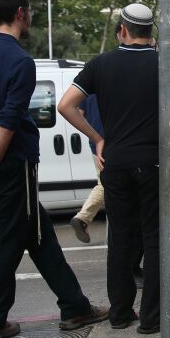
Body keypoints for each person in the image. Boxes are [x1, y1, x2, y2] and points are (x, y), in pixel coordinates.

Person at [0, 0, 107, 338]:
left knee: (36, 232)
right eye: (30, 11)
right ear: (21, 13)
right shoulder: (19, 60)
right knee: (10, 237)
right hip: (12, 160)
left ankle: (74, 304)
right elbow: (9, 119)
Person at [59, 3, 160, 334]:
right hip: (153, 161)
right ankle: (152, 318)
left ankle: (119, 313)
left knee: (120, 238)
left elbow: (66, 105)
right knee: (154, 238)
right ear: (151, 33)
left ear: (123, 31)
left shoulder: (100, 64)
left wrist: (98, 138)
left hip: (114, 163)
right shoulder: (164, 64)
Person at [69, 93, 104, 243]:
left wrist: (93, 135)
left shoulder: (87, 87)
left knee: (105, 183)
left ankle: (83, 219)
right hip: (109, 143)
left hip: (95, 144)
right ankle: (82, 218)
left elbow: (79, 113)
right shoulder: (108, 80)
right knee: (106, 185)